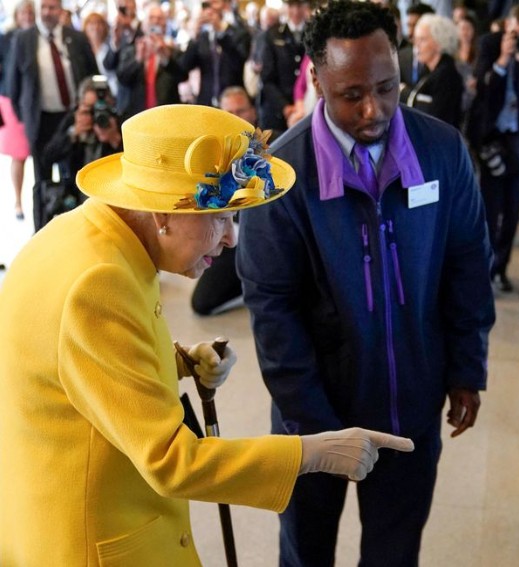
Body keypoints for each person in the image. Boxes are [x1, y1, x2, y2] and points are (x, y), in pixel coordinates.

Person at [0, 103, 414, 566]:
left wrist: (175, 360)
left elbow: (72, 364)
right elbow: (171, 461)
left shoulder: (76, 236)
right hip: (93, 539)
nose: (232, 237)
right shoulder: (101, 283)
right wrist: (309, 453)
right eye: (219, 215)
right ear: (162, 213)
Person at [237, 2, 495, 565]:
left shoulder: (443, 152)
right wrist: (318, 432)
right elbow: (273, 310)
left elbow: (468, 264)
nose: (374, 108)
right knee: (306, 553)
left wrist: (466, 368)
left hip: (410, 412)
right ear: (318, 80)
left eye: (387, 86)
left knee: (394, 553)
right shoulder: (278, 178)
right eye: (352, 94)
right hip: (313, 421)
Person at [468, 2, 519, 292]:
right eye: (516, 32)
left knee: (512, 212)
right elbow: (483, 87)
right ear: (507, 26)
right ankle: (484, 268)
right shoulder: (490, 44)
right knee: (490, 208)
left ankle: (500, 268)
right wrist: (503, 59)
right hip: (493, 138)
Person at [6, 0, 98, 230]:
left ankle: (79, 229)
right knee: (42, 181)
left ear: (60, 10)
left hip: (74, 118)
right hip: (40, 122)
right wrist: (25, 119)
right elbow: (13, 85)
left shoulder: (76, 38)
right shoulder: (23, 40)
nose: (48, 12)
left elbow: (93, 76)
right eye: (44, 7)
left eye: (52, 7)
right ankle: (42, 232)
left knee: (77, 175)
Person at [191, 86, 259, 316]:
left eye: (242, 111)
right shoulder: (211, 155)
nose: (236, 119)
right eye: (230, 113)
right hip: (230, 240)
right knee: (202, 303)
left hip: (265, 239)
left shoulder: (274, 147)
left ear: (253, 113)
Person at [41, 76, 123, 215]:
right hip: (77, 199)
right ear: (79, 105)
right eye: (90, 109)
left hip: (112, 196)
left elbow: (136, 161)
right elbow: (47, 156)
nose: (98, 113)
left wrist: (115, 139)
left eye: (102, 106)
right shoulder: (73, 121)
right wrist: (74, 133)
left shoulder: (119, 120)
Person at [116, 1, 187, 119]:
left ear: (165, 25)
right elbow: (122, 79)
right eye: (151, 17)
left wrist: (166, 59)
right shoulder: (131, 50)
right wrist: (138, 60)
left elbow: (183, 76)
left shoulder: (173, 52)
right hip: (137, 117)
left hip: (167, 116)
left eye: (160, 18)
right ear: (144, 24)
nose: (155, 21)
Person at [0, 0, 35, 220]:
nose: (28, 15)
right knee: (19, 155)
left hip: (35, 102)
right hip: (12, 101)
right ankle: (18, 201)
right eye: (24, 12)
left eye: (31, 12)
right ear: (17, 14)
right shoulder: (6, 38)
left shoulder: (40, 37)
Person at [181, 0, 251, 107]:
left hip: (233, 103)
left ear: (224, 5)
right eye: (206, 5)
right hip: (207, 101)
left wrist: (220, 32)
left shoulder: (238, 33)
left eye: (214, 3)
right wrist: (194, 38)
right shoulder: (202, 37)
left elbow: (238, 62)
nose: (210, 9)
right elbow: (184, 68)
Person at [256, 0, 310, 133]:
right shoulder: (273, 34)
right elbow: (267, 78)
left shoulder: (314, 31)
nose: (296, 11)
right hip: (278, 112)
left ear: (306, 7)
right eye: (292, 6)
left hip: (308, 108)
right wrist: (285, 107)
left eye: (299, 5)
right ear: (286, 8)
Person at [403, 13, 463, 128]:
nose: (417, 46)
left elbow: (434, 117)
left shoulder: (446, 76)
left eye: (422, 40)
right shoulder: (429, 71)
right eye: (416, 40)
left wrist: (405, 94)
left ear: (439, 42)